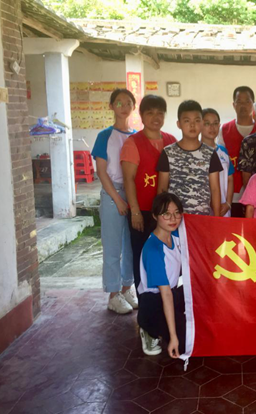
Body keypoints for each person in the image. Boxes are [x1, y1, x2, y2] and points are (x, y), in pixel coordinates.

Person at [121, 95, 176, 289]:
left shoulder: (171, 141)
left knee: (167, 255)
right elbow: (128, 179)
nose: (156, 117)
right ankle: (144, 299)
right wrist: (135, 211)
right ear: (142, 116)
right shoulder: (133, 142)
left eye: (160, 113)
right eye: (150, 113)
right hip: (143, 211)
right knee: (142, 255)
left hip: (167, 213)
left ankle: (165, 298)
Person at [91, 88, 137, 314]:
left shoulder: (136, 136)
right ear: (111, 106)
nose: (124, 106)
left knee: (131, 246)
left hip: (133, 192)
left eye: (128, 103)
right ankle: (112, 294)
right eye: (119, 103)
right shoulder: (105, 136)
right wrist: (118, 200)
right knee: (112, 247)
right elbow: (101, 171)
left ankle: (127, 288)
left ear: (133, 107)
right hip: (112, 194)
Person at [137, 192, 186, 358]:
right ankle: (148, 329)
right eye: (166, 214)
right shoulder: (153, 249)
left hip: (171, 293)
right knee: (185, 343)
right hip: (153, 303)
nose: (173, 218)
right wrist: (173, 337)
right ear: (155, 216)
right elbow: (165, 294)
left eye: (177, 213)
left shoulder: (176, 235)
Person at [156, 100, 222, 216]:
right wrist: (162, 217)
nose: (192, 125)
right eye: (187, 121)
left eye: (197, 120)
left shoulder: (210, 153)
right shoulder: (168, 153)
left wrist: (217, 219)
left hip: (202, 218)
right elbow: (162, 189)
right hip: (174, 219)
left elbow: (215, 189)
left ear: (202, 123)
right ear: (179, 124)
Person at [217, 86, 256, 217]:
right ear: (233, 105)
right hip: (232, 196)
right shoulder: (224, 130)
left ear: (253, 104)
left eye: (247, 101)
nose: (243, 105)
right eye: (239, 101)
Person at [201, 108, 234, 217]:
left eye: (215, 123)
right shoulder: (195, 152)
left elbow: (230, 179)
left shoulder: (223, 151)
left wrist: (228, 203)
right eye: (207, 124)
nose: (212, 127)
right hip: (202, 210)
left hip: (223, 209)